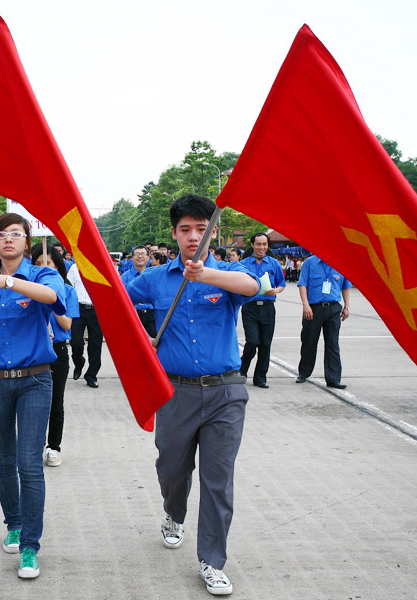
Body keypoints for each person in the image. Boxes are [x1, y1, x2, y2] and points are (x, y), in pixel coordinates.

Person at [125, 194, 258, 597]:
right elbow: (118, 300)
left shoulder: (227, 274)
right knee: (172, 470)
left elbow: (251, 287)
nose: (193, 237)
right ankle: (173, 514)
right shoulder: (155, 278)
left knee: (218, 481)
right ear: (173, 234)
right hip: (175, 393)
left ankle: (212, 562)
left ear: (212, 231)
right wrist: (141, 339)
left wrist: (205, 275)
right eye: (186, 230)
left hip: (225, 393)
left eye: (201, 229)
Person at [0, 212, 65, 580]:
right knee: (3, 459)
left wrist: (10, 282)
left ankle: (30, 548)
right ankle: (14, 523)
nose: (8, 240)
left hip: (35, 380)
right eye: (1, 234)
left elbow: (53, 298)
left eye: (16, 234)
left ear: (26, 242)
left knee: (29, 463)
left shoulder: (40, 274)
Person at [31, 243, 78, 467]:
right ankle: (34, 444)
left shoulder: (68, 291)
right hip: (33, 349)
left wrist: (53, 300)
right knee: (32, 403)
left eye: (48, 264)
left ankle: (53, 447)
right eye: (38, 264)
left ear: (58, 267)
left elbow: (67, 323)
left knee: (55, 402)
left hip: (57, 351)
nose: (43, 268)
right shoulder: (26, 288)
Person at [238, 233, 286, 388]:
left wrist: (276, 291)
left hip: (267, 308)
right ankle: (242, 371)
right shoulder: (243, 264)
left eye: (264, 244)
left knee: (265, 343)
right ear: (252, 245)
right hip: (250, 307)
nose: (262, 248)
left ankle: (260, 377)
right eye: (258, 244)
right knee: (252, 341)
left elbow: (281, 283)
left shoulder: (274, 263)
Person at [295, 255, 351, 389]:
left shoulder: (341, 262)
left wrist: (347, 306)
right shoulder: (310, 263)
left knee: (332, 344)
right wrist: (305, 305)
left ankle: (333, 378)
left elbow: (345, 286)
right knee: (309, 341)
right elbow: (302, 284)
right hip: (313, 308)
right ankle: (304, 372)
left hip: (333, 308)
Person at [67, 261, 103, 388]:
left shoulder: (102, 266)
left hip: (97, 309)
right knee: (75, 342)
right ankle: (78, 361)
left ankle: (91, 375)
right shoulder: (74, 267)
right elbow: (68, 287)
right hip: (78, 309)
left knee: (95, 345)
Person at [121, 245, 156, 337]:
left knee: (154, 346)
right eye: (137, 254)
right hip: (132, 316)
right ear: (132, 258)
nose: (140, 256)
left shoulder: (154, 276)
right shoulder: (124, 278)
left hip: (152, 316)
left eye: (143, 254)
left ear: (148, 257)